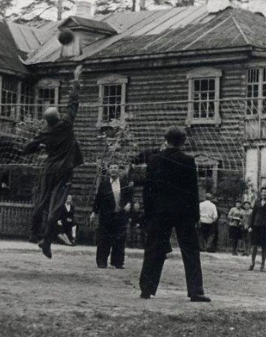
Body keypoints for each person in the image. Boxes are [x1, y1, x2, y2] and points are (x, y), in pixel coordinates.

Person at [139, 126, 210, 302]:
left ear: (166, 139)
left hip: (159, 212)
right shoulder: (188, 161)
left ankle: (146, 289)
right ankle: (195, 291)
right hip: (183, 212)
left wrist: (148, 213)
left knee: (154, 248)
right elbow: (193, 191)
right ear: (183, 141)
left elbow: (147, 190)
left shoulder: (154, 160)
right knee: (191, 251)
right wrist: (195, 216)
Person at [23, 65, 84, 259]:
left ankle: (34, 234)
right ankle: (47, 240)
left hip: (49, 169)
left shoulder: (45, 133)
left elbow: (27, 148)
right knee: (56, 207)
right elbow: (73, 103)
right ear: (58, 117)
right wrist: (75, 80)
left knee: (41, 201)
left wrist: (39, 147)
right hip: (64, 170)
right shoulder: (66, 124)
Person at [90, 163, 134, 269]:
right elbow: (98, 200)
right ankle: (101, 261)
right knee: (104, 239)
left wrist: (129, 204)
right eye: (111, 168)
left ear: (118, 170)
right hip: (106, 216)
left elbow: (129, 197)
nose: (113, 170)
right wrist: (93, 212)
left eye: (115, 168)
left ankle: (118, 262)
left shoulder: (124, 183)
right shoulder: (104, 184)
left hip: (120, 215)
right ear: (109, 170)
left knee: (120, 239)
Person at [248, 185, 266, 272]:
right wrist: (250, 226)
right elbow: (253, 215)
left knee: (264, 247)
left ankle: (263, 265)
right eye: (262, 192)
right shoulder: (257, 202)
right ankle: (252, 263)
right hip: (256, 226)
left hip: (265, 227)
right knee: (254, 246)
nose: (264, 194)